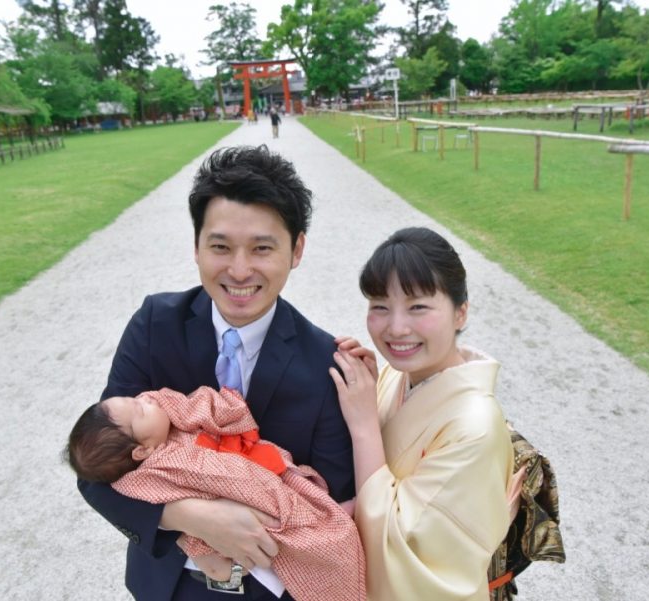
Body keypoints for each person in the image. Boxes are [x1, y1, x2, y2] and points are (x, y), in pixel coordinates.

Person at [76, 145, 354, 601]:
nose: (239, 271)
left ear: (297, 248)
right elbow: (97, 464)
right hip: (167, 584)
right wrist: (190, 517)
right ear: (196, 247)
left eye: (262, 248)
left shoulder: (325, 360)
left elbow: (333, 502)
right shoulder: (154, 325)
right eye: (220, 247)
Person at [329, 227, 520, 600]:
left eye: (418, 307)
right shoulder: (391, 380)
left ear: (460, 312)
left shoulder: (475, 426)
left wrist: (365, 424)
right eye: (380, 307)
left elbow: (405, 547)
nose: (396, 327)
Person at [67, 386, 364, 601]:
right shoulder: (154, 469)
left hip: (269, 486)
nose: (145, 397)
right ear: (142, 450)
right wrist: (185, 518)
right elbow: (98, 478)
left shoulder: (166, 420)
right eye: (140, 408)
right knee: (330, 543)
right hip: (191, 569)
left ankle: (329, 516)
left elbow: (214, 410)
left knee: (320, 520)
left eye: (136, 398)